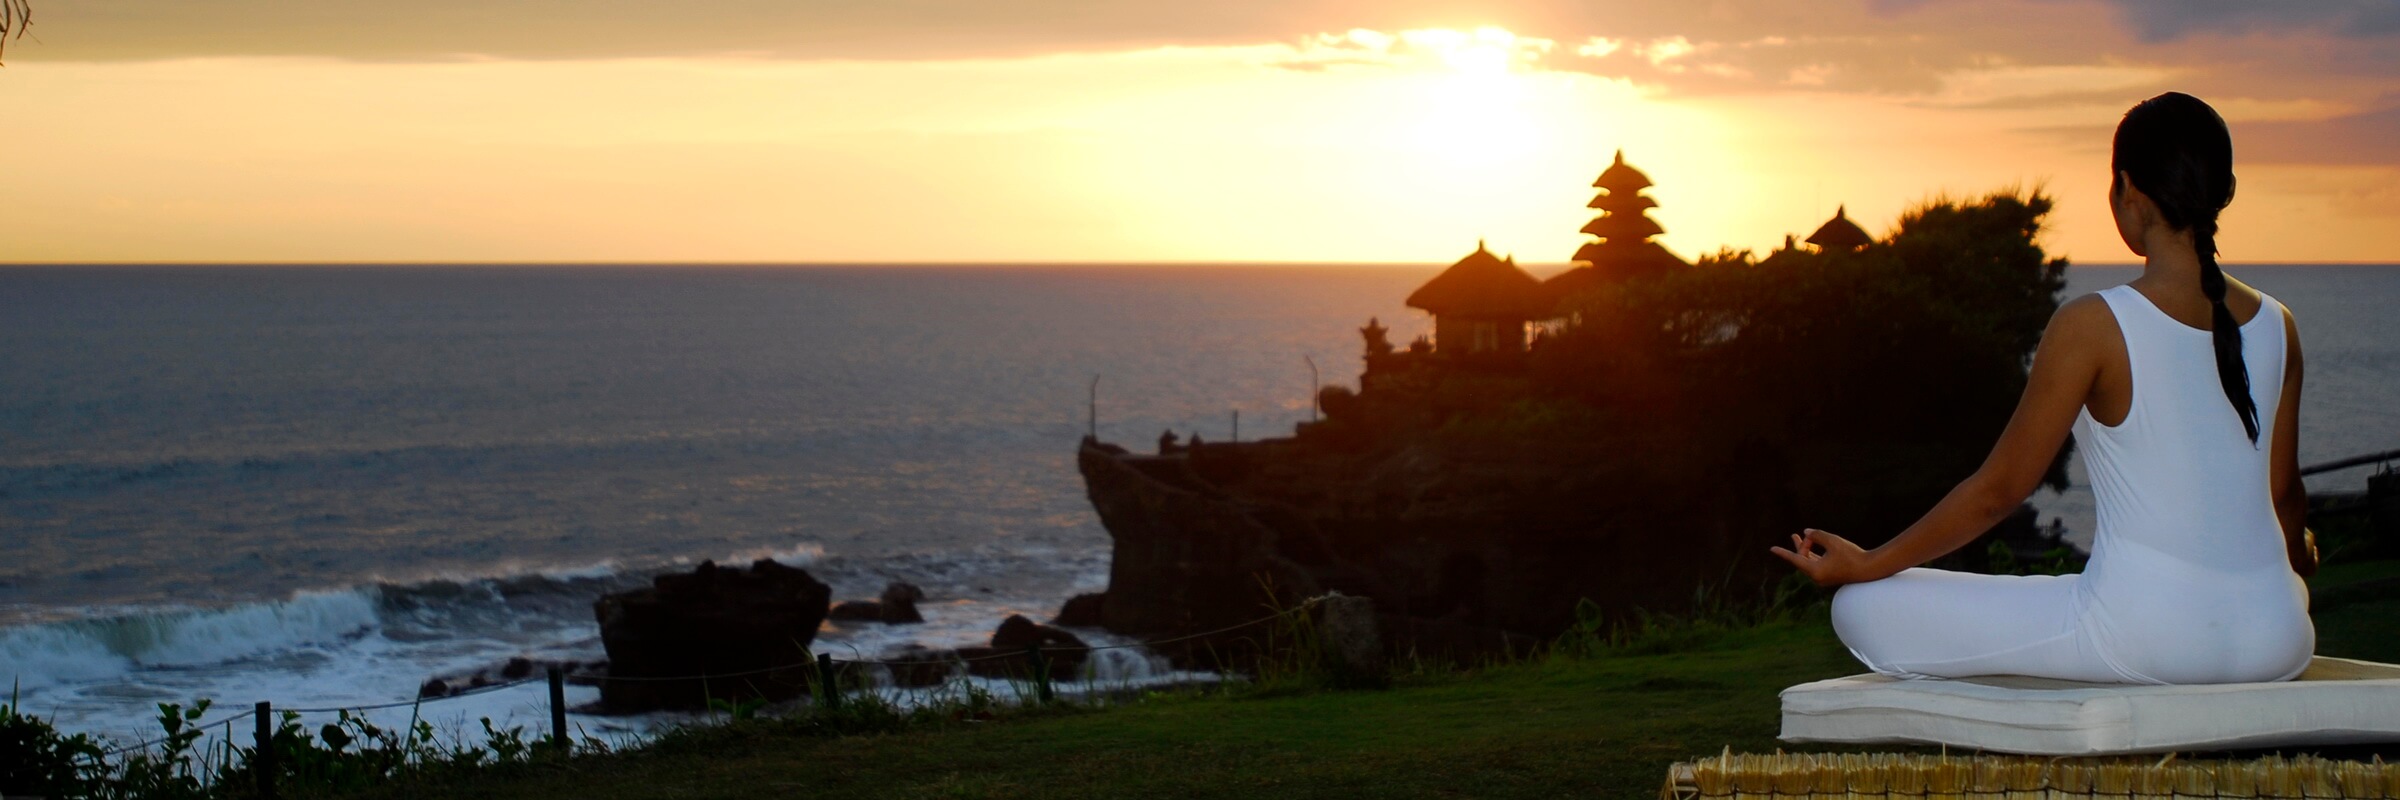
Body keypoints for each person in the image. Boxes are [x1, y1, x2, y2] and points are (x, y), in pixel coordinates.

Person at [1771, 92, 2318, 685]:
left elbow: (1997, 492)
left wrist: (1872, 563)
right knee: (2068, 592)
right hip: (2279, 638)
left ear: (2127, 191)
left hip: (2148, 640)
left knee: (1861, 605)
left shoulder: (2093, 324)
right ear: (2226, 191)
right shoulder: (2278, 325)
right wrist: (2297, 559)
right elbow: (2284, 495)